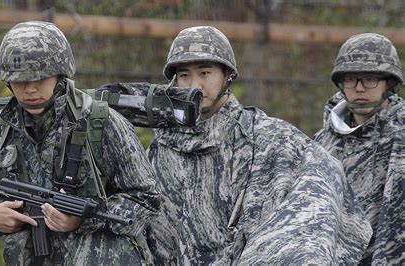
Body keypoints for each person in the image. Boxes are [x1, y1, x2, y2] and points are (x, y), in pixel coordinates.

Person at [145, 26, 373, 265]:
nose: (195, 85)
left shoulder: (268, 137)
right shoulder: (163, 147)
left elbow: (322, 182)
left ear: (227, 75)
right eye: (184, 75)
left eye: (204, 73)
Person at [0, 21, 160, 265]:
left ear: (60, 73)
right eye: (20, 80)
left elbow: (146, 198)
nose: (30, 89)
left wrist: (84, 219)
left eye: (40, 77)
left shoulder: (101, 122)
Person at [314, 33, 404, 265]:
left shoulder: (400, 137)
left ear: (389, 83)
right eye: (351, 79)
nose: (360, 88)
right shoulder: (321, 144)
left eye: (370, 79)